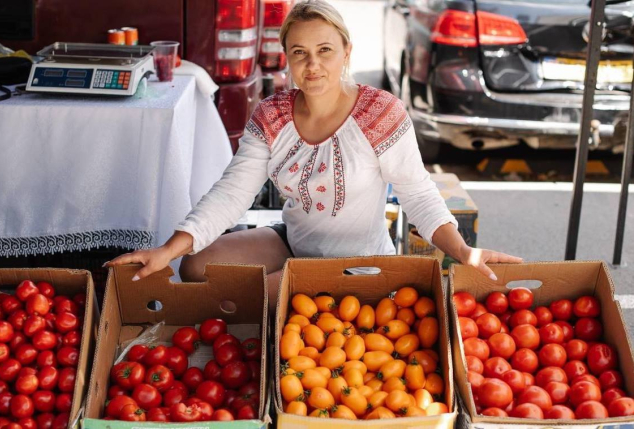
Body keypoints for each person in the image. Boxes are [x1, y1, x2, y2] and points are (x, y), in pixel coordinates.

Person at [106, 0, 522, 310]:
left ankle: (303, 301)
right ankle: (285, 295)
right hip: (294, 244)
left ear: (346, 52)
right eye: (299, 52)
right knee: (194, 268)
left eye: (324, 50)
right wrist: (168, 249)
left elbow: (419, 195)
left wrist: (464, 252)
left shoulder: (380, 113)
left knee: (247, 303)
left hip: (360, 262)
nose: (313, 65)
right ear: (287, 58)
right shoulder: (272, 115)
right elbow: (231, 194)